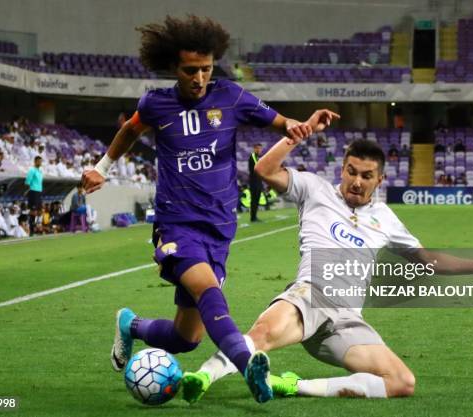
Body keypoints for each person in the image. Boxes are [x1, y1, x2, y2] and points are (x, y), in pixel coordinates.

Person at [80, 14, 340, 403]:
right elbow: (131, 129)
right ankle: (247, 363)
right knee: (207, 289)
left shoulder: (231, 97)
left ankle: (130, 324)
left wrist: (304, 125)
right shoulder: (155, 104)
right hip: (176, 224)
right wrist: (101, 168)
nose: (199, 78)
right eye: (190, 70)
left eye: (205, 69)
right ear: (173, 67)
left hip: (219, 227)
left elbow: (282, 122)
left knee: (188, 338)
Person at [181, 138, 473, 404]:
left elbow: (427, 259)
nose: (356, 181)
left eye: (366, 175)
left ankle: (291, 385)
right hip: (311, 295)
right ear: (342, 168)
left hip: (346, 320)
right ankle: (202, 377)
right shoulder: (315, 190)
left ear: (380, 179)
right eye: (351, 171)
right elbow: (266, 170)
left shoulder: (386, 219)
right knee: (262, 335)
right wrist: (298, 136)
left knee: (401, 382)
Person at [25, 156, 44, 234]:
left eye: (41, 161)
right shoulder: (32, 170)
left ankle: (36, 226)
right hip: (33, 192)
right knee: (33, 211)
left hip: (39, 192)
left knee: (40, 211)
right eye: (39, 161)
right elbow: (27, 182)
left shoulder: (40, 171)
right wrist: (29, 190)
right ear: (35, 162)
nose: (40, 163)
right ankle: (31, 229)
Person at [249, 143, 264, 222]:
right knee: (254, 200)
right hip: (254, 182)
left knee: (256, 199)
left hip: (258, 181)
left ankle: (254, 216)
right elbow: (258, 167)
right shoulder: (253, 156)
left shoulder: (258, 157)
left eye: (260, 148)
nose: (259, 150)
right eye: (257, 148)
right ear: (254, 149)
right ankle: (253, 217)